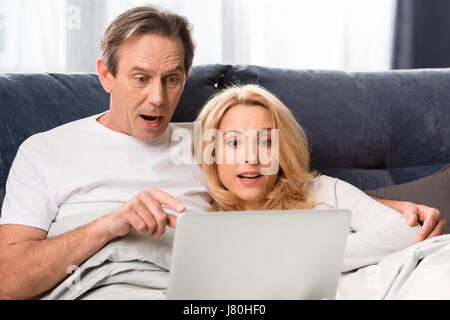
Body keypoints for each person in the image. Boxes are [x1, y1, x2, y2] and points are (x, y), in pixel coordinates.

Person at [0, 5, 444, 300]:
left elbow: (286, 189)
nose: (158, 98)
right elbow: (7, 280)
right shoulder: (45, 152)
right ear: (105, 75)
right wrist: (110, 225)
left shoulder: (214, 140)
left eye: (172, 79)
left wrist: (388, 206)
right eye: (140, 78)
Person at [194, 83, 436, 272]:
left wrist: (297, 257)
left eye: (266, 141)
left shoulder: (321, 190)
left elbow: (406, 232)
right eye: (234, 143)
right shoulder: (197, 211)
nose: (251, 158)